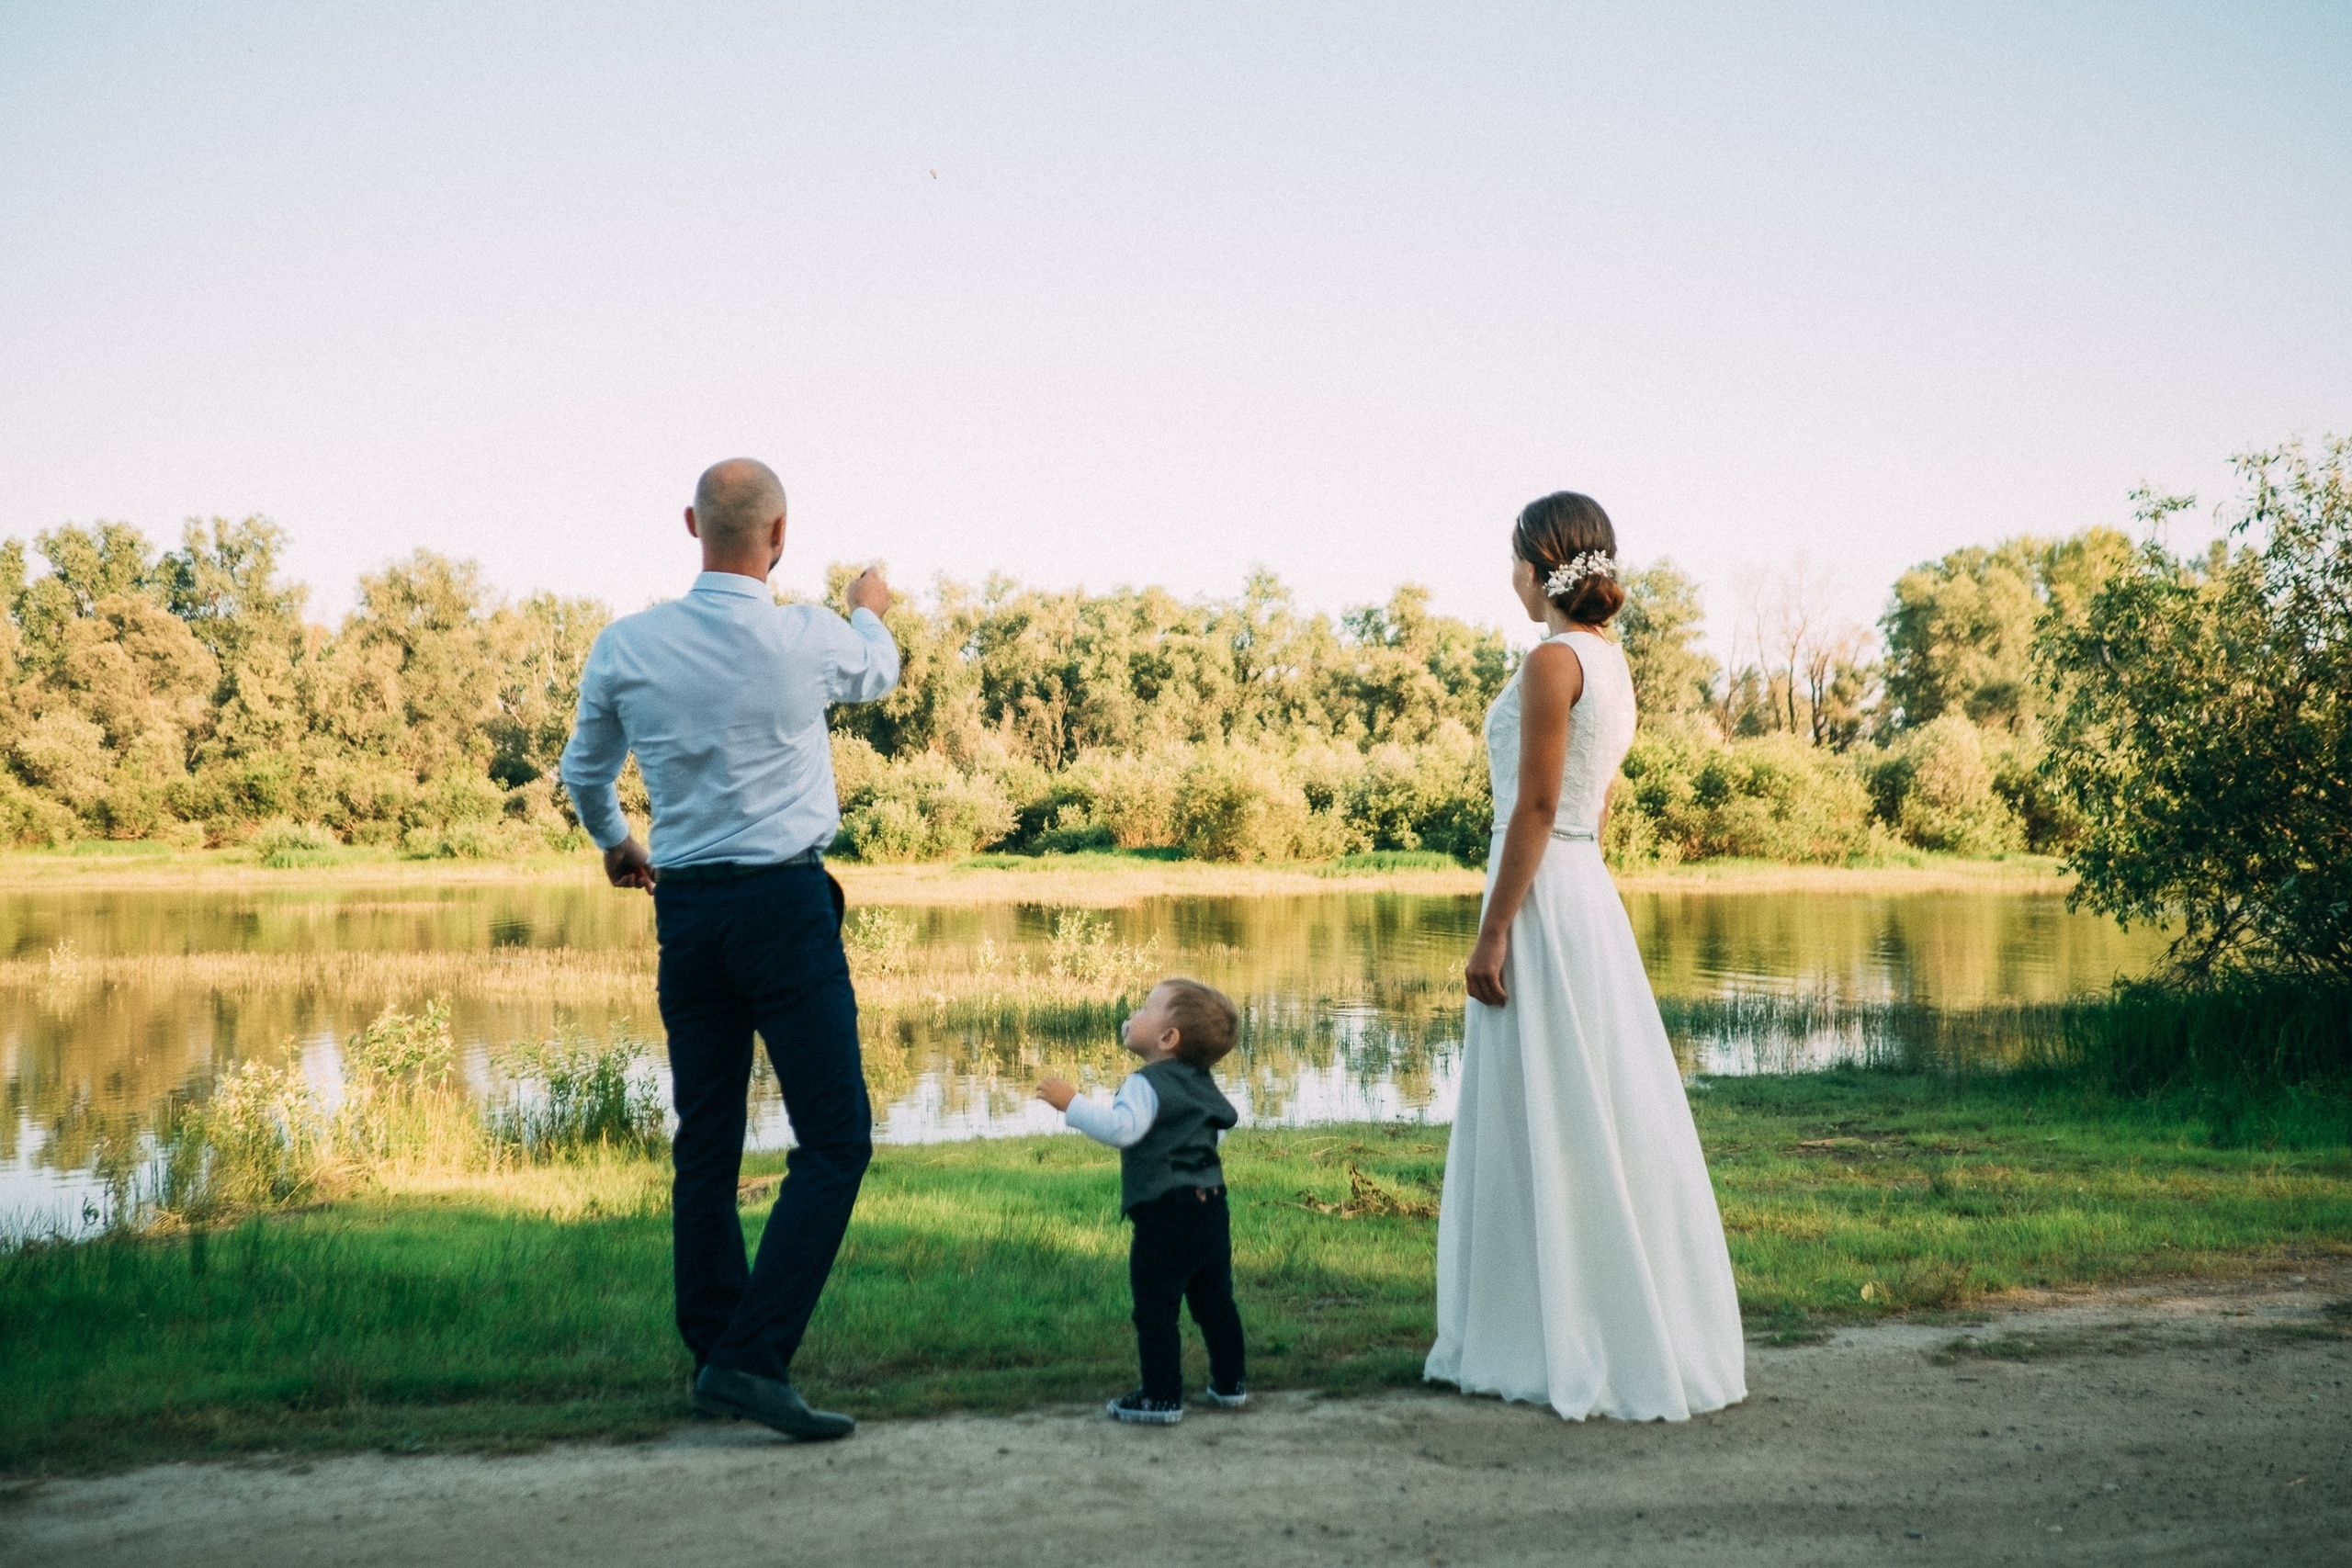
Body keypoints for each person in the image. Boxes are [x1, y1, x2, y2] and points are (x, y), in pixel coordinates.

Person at [558, 457, 899, 1441]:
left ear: (689, 525)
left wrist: (619, 845)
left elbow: (585, 775)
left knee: (704, 1145)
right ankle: (749, 1359)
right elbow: (879, 672)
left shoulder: (626, 645)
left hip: (689, 915)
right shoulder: (808, 635)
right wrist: (867, 604)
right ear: (780, 534)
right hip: (784, 911)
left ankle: (717, 1354)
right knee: (835, 1141)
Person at [1424, 491, 1747, 1423]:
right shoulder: (1611, 665)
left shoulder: (1550, 661)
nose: (1509, 577)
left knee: (1549, 1106)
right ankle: (1594, 1317)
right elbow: (1591, 809)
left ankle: (1547, 1332)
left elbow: (1532, 807)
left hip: (1537, 899)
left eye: (1513, 560)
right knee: (1593, 1105)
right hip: (1584, 893)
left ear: (1540, 565)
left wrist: (1493, 931)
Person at [1036, 977, 1249, 1426]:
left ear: (1168, 1038)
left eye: (1146, 1008)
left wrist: (1070, 1103)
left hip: (1165, 1213)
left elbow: (1122, 1130)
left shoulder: (1145, 1084)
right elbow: (1220, 1128)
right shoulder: (1201, 1082)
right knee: (1215, 1301)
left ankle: (1161, 1397)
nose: (1132, 1014)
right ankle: (1230, 1385)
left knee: (1156, 1308)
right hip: (1211, 1206)